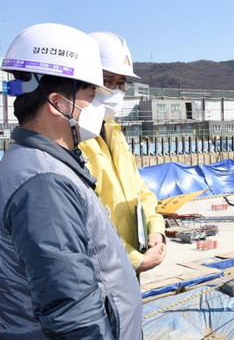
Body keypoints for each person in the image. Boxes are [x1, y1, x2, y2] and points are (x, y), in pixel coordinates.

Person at [0, 23, 142, 339]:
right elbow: (71, 311)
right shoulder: (43, 184)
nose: (98, 107)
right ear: (59, 104)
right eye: (92, 95)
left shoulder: (41, 164)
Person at [79, 31, 166, 274]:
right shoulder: (73, 140)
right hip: (101, 271)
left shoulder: (114, 132)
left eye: (122, 83)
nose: (117, 90)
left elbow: (140, 191)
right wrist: (132, 259)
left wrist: (155, 227)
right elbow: (88, 221)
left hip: (127, 268)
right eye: (108, 81)